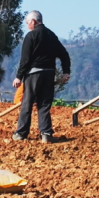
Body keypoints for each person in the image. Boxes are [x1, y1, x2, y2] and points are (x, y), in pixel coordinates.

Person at [12, 10, 71, 143]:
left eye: (28, 23)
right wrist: (66, 71)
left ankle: (21, 133)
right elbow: (64, 54)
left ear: (33, 21)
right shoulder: (51, 36)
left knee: (27, 103)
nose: (27, 26)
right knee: (44, 104)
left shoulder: (31, 36)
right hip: (49, 74)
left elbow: (25, 60)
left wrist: (18, 77)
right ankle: (46, 134)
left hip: (33, 74)